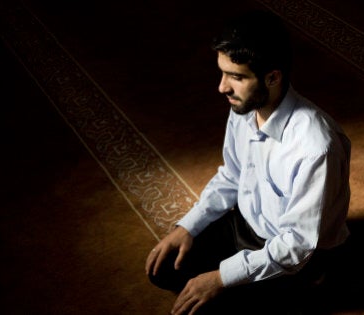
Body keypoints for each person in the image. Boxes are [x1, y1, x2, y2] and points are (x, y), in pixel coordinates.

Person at [145, 10, 351, 314]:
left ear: (273, 77)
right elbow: (231, 176)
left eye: (236, 77)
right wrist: (188, 227)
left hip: (299, 255)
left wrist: (220, 278)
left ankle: (312, 286)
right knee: (162, 269)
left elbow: (296, 245)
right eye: (223, 73)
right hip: (247, 225)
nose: (222, 87)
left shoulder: (316, 146)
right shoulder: (244, 106)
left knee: (205, 306)